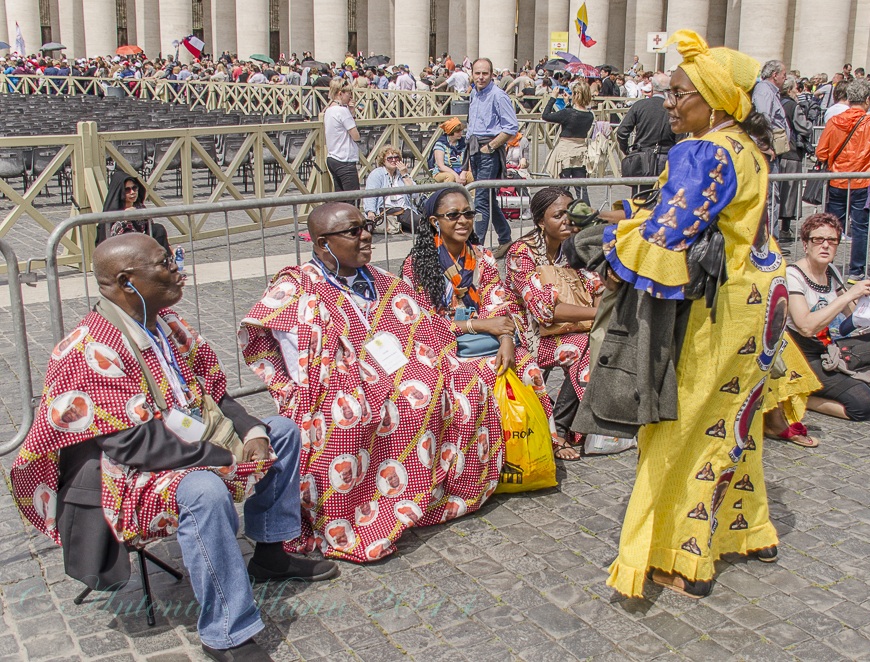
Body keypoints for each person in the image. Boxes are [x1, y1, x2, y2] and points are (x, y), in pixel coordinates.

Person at [11, 234, 338, 662]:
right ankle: (227, 632)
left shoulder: (168, 323)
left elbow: (215, 395)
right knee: (204, 490)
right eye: (166, 263)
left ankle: (272, 555)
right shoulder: (88, 349)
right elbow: (130, 444)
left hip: (189, 444)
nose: (178, 270)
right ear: (127, 281)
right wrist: (223, 458)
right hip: (126, 477)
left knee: (282, 431)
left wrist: (252, 431)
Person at [603, 30, 787, 599]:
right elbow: (676, 205)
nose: (668, 101)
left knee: (680, 431)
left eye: (679, 92)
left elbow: (666, 236)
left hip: (722, 308)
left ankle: (674, 555)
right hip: (761, 304)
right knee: (737, 422)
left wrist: (609, 245)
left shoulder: (706, 149)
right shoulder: (747, 147)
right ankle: (746, 529)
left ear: (713, 100)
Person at [240, 202, 503, 562]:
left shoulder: (379, 278)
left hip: (398, 373)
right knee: (362, 413)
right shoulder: (297, 292)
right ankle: (355, 517)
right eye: (353, 231)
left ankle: (440, 492)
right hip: (333, 391)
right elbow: (308, 373)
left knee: (470, 383)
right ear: (321, 243)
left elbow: (424, 328)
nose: (366, 235)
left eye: (367, 225)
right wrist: (374, 383)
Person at [401, 189, 560, 450]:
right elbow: (421, 323)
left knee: (526, 366)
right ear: (434, 222)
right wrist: (476, 325)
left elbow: (497, 302)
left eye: (468, 213)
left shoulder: (483, 257)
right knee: (472, 381)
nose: (462, 220)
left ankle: (536, 446)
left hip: (488, 340)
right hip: (443, 347)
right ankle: (478, 454)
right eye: (452, 215)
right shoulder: (416, 265)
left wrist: (507, 339)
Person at [505, 187, 602, 460]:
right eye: (558, 215)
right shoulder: (521, 253)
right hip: (529, 337)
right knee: (583, 346)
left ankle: (568, 425)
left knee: (597, 342)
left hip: (570, 330)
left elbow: (598, 286)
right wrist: (598, 314)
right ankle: (560, 427)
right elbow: (544, 310)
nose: (566, 221)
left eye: (569, 214)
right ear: (540, 221)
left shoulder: (576, 247)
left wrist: (601, 306)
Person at [784, 213, 870, 422]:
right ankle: (795, 396)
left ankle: (810, 389)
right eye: (817, 240)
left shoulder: (830, 271)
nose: (825, 246)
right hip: (800, 353)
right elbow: (805, 326)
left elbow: (851, 316)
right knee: (864, 404)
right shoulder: (792, 275)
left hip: (829, 348)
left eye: (831, 241)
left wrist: (867, 295)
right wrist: (850, 294)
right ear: (805, 244)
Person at [816, 78, 870, 280]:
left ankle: (824, 266)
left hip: (838, 179)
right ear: (866, 99)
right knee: (860, 228)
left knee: (831, 225)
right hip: (863, 181)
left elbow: (821, 152)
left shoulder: (834, 121)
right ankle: (856, 271)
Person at [467, 58, 519, 250]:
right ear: (472, 73)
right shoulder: (474, 93)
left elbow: (511, 127)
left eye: (485, 73)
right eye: (477, 73)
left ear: (492, 75)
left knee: (481, 199)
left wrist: (490, 146)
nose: (480, 77)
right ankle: (505, 238)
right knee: (488, 198)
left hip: (488, 151)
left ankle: (475, 246)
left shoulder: (499, 96)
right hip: (474, 149)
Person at [615, 72, 678, 187]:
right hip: (667, 160)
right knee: (663, 199)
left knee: (639, 199)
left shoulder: (640, 105)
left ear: (652, 87)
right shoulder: (675, 109)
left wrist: (627, 151)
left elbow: (621, 131)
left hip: (641, 157)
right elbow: (680, 138)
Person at [776, 78, 813, 242]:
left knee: (777, 191)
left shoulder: (775, 102)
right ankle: (784, 228)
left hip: (776, 152)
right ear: (790, 89)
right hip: (791, 152)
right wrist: (810, 121)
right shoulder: (792, 105)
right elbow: (804, 127)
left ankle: (776, 227)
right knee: (789, 191)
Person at [542, 82, 595, 197]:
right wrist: (568, 104)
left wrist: (553, 97)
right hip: (580, 152)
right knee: (581, 190)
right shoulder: (590, 115)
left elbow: (545, 115)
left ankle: (563, 212)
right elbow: (575, 117)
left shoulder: (567, 113)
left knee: (563, 188)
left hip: (565, 151)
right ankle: (585, 214)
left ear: (575, 95)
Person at [96, 170, 170, 251]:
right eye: (127, 190)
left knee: (158, 229)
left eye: (134, 188)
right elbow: (112, 236)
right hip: (123, 251)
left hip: (141, 247)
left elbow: (150, 227)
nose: (132, 192)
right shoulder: (112, 212)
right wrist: (125, 218)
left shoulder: (139, 207)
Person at [363, 145, 420, 235]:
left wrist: (405, 175)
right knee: (421, 224)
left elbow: (414, 195)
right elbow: (370, 194)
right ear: (383, 161)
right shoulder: (377, 174)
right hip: (387, 209)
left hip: (404, 208)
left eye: (396, 158)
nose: (394, 160)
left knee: (422, 222)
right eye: (390, 158)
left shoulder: (402, 174)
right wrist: (371, 213)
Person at [323, 78, 362, 194]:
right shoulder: (342, 111)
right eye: (349, 95)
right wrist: (351, 114)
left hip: (333, 157)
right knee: (352, 199)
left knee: (340, 197)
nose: (350, 98)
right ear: (340, 93)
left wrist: (351, 111)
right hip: (345, 158)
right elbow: (355, 135)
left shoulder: (329, 110)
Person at [431, 117, 469, 183]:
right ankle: (448, 193)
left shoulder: (464, 143)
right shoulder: (440, 144)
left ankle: (472, 193)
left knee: (471, 176)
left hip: (461, 170)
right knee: (450, 177)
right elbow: (440, 166)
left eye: (461, 131)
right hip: (443, 172)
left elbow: (468, 161)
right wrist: (456, 175)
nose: (461, 133)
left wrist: (464, 172)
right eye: (458, 132)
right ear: (451, 132)